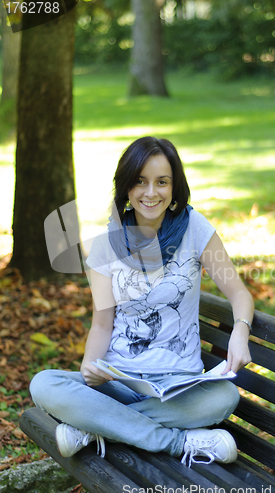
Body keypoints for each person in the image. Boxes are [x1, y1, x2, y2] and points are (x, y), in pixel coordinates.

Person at [30, 136, 254, 467]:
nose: (151, 193)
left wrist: (240, 331)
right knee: (44, 384)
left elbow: (239, 293)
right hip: (118, 381)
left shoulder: (195, 229)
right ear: (126, 188)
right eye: (140, 182)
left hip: (180, 386)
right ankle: (178, 442)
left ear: (175, 187)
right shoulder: (106, 247)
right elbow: (103, 323)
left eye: (162, 182)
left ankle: (98, 426)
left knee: (224, 397)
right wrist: (90, 369)